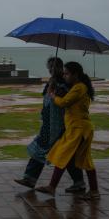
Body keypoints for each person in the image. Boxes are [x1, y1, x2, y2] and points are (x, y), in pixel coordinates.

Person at [14, 57, 86, 192]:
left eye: (54, 67)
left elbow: (63, 101)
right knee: (44, 150)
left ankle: (78, 182)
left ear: (60, 68)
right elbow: (46, 100)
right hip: (48, 124)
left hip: (60, 125)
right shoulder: (51, 82)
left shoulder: (65, 84)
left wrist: (55, 89)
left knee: (63, 154)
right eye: (50, 67)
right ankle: (30, 178)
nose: (52, 70)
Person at [36, 62, 100, 200]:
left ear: (75, 74)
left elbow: (64, 102)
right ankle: (94, 191)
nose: (64, 76)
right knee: (83, 160)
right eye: (64, 73)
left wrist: (53, 96)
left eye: (66, 73)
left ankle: (52, 187)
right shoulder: (78, 87)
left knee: (62, 155)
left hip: (79, 129)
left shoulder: (79, 88)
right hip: (76, 129)